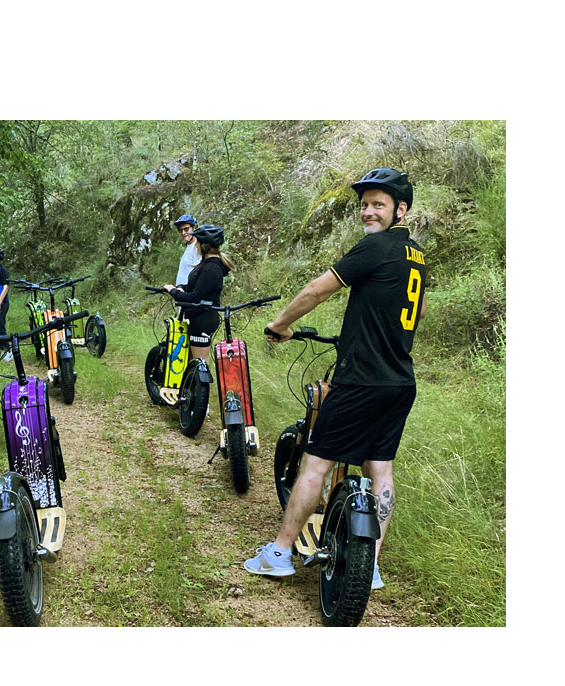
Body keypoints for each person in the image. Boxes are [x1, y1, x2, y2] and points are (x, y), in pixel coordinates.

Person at [245, 168, 427, 592]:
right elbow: (400, 312)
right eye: (365, 204)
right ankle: (371, 567)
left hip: (360, 380)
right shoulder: (415, 254)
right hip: (400, 381)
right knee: (380, 470)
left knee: (316, 462)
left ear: (400, 209)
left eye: (378, 204)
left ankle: (278, 553)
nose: (368, 211)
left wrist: (280, 323)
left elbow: (317, 290)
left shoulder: (375, 246)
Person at [162, 224, 234, 372]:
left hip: (203, 320)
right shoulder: (207, 264)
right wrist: (182, 287)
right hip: (199, 317)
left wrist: (173, 291)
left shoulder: (211, 268)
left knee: (201, 364)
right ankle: (188, 392)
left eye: (197, 243)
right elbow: (199, 288)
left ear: (203, 245)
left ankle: (200, 394)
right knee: (193, 362)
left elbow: (194, 297)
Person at [174, 214, 201, 287]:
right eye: (181, 230)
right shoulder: (190, 246)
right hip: (182, 294)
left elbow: (199, 274)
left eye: (186, 229)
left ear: (194, 228)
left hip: (189, 294)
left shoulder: (197, 246)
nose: (183, 233)